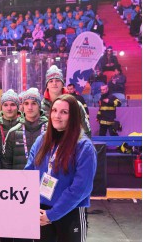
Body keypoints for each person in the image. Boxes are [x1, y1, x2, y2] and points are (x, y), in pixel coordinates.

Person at [25, 94, 97, 242]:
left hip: (71, 212)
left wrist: (52, 215)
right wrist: (30, 206)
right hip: (41, 211)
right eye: (54, 110)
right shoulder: (41, 141)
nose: (57, 116)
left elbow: (81, 188)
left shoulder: (84, 147)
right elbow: (29, 174)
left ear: (74, 117)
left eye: (64, 112)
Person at [2, 88, 48, 173]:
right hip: (19, 183)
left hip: (44, 182)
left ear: (39, 106)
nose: (30, 107)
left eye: (33, 103)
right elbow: (6, 163)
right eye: (26, 103)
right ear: (22, 106)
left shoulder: (50, 130)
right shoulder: (13, 132)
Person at [42, 65, 91, 137]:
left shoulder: (76, 105)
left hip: (70, 145)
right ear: (47, 85)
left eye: (57, 80)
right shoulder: (40, 107)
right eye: (51, 81)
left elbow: (86, 131)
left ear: (62, 84)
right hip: (47, 145)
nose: (54, 83)